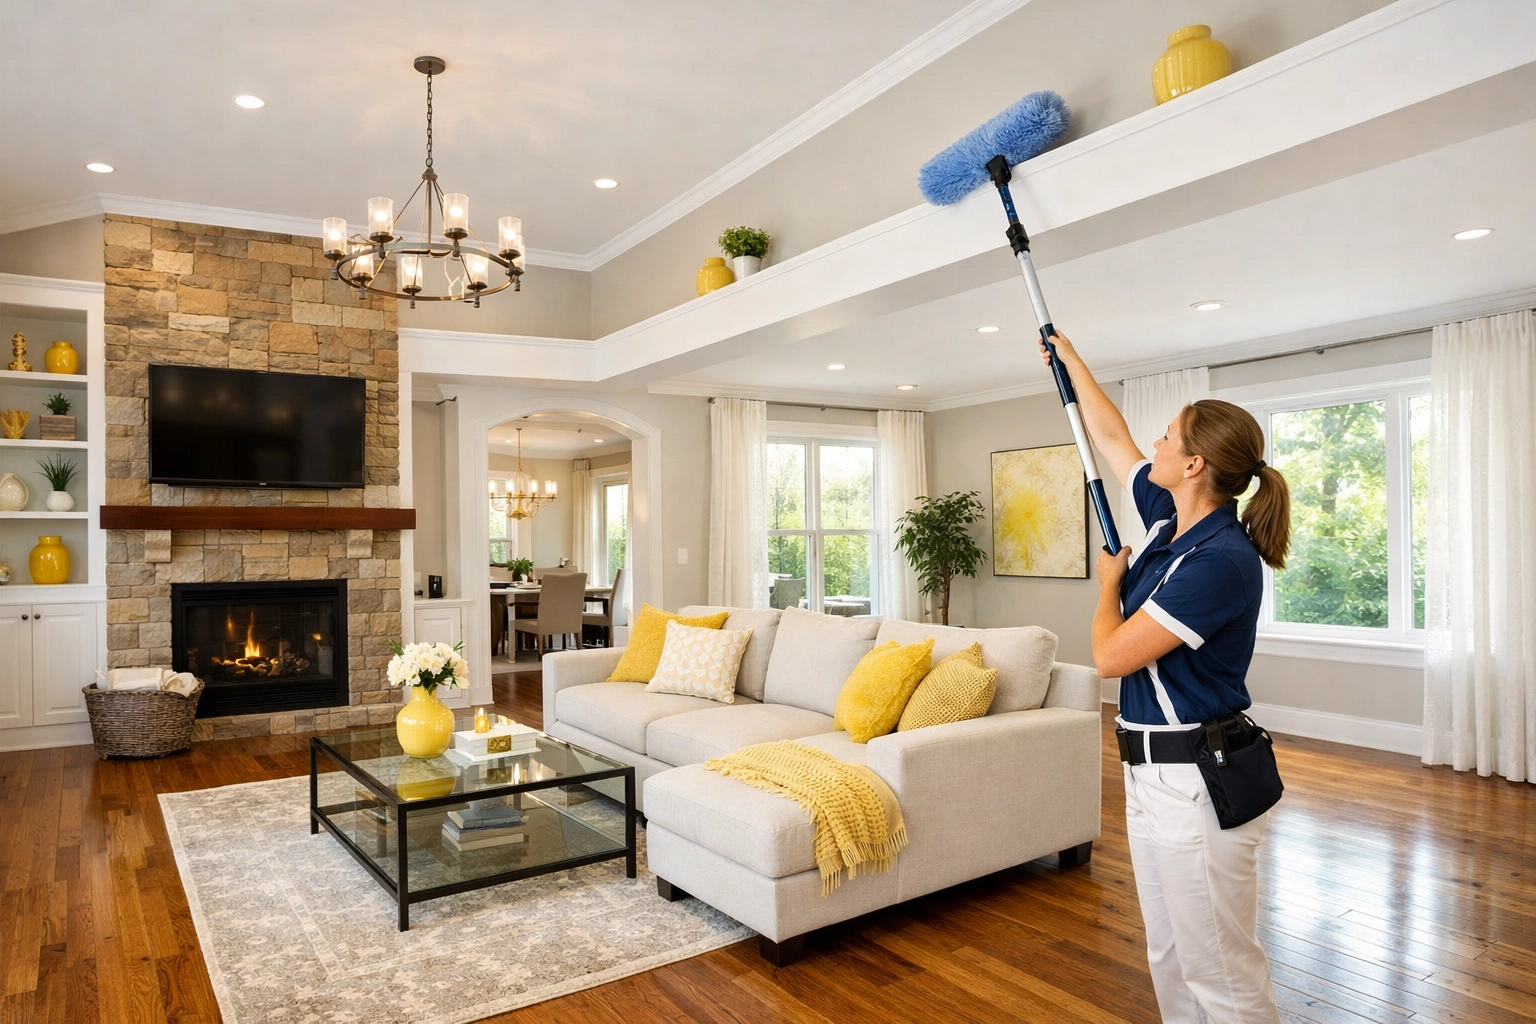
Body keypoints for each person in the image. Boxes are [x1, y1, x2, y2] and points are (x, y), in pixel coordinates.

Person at [1041, 331, 1291, 1023]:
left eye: (1169, 437)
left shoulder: (1220, 560)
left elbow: (1113, 657)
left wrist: (1105, 589)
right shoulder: (1165, 520)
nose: (1154, 443)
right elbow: (1112, 434)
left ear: (1194, 464)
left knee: (1220, 967)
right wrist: (1071, 364)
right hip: (1148, 773)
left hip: (1197, 781)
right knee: (1171, 952)